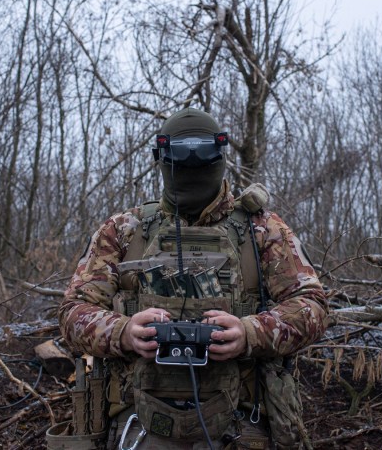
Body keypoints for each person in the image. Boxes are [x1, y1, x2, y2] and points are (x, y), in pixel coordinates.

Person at [58, 108, 328, 449]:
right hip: (139, 424)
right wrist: (123, 332)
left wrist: (249, 333)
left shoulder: (262, 230)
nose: (191, 167)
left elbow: (313, 307)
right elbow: (71, 313)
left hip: (239, 424)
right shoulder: (125, 231)